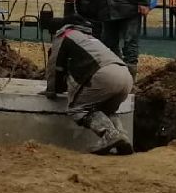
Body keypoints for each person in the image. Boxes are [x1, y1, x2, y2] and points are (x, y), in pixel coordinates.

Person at [44, 20, 133, 155]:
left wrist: (51, 90)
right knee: (106, 109)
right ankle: (122, 136)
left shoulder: (64, 35)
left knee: (78, 109)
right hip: (125, 76)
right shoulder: (87, 37)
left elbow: (54, 67)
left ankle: (110, 134)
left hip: (105, 76)